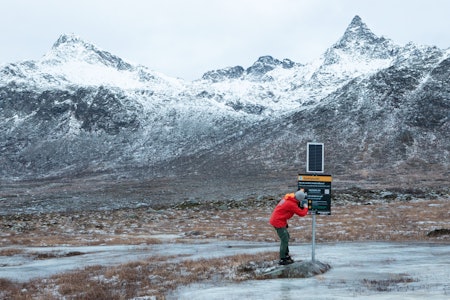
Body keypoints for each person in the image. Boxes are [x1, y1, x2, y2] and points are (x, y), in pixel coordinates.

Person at [269, 190, 308, 265]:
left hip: (279, 220)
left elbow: (282, 212)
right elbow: (301, 213)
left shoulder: (288, 198)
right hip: (278, 221)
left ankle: (286, 255)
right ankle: (283, 258)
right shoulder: (291, 204)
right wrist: (306, 207)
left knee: (286, 237)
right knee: (284, 239)